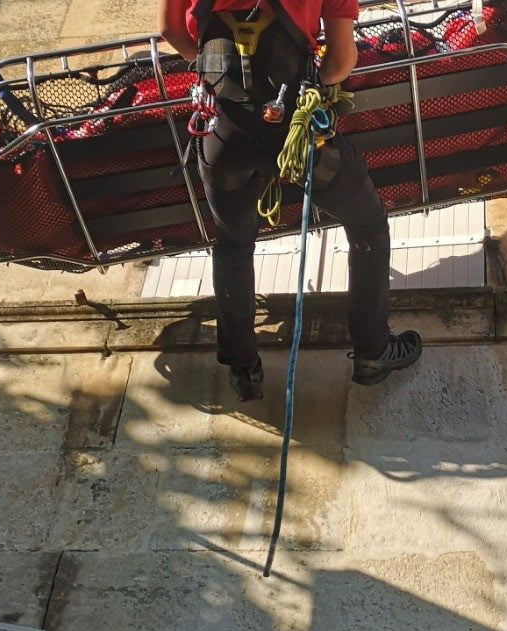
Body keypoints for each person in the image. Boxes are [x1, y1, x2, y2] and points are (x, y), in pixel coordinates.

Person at [159, 0, 422, 401]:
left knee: (233, 244)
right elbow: (339, 61)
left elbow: (170, 30)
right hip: (297, 138)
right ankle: (372, 350)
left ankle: (243, 368)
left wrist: (219, 68)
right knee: (367, 221)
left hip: (224, 141)